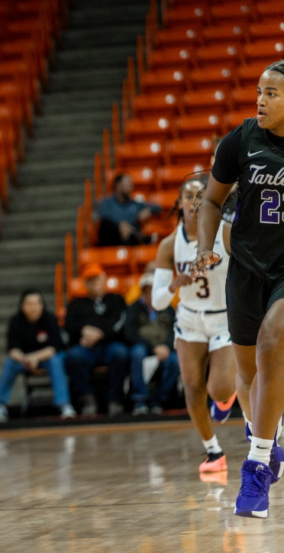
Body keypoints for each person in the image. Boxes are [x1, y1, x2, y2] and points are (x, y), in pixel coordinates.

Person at [192, 60, 284, 518]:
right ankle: (269, 440)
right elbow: (211, 199)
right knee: (248, 374)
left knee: (274, 342)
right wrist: (206, 248)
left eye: (272, 93)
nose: (260, 100)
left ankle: (258, 466)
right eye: (259, 91)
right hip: (246, 267)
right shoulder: (242, 139)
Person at [153, 179, 238, 473]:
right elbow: (158, 302)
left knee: (219, 390)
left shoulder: (225, 234)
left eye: (199, 195)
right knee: (192, 389)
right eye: (187, 196)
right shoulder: (169, 245)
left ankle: (229, 392)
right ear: (179, 204)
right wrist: (175, 284)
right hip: (189, 321)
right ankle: (213, 452)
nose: (193, 200)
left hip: (224, 318)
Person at [0, 290, 75, 424]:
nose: (33, 307)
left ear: (42, 305)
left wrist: (35, 358)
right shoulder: (16, 321)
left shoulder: (50, 319)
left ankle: (64, 405)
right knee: (10, 363)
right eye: (29, 304)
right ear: (22, 306)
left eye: (36, 303)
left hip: (46, 359)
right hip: (24, 360)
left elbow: (54, 347)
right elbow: (12, 349)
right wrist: (26, 359)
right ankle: (0, 406)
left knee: (56, 360)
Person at [64, 263, 129, 416]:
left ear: (104, 279)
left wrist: (99, 333)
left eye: (97, 279)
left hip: (110, 345)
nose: (94, 283)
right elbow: (69, 325)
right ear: (85, 283)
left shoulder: (116, 299)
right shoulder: (76, 303)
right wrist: (83, 330)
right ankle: (87, 398)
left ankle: (115, 399)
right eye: (90, 280)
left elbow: (120, 322)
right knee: (73, 356)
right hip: (86, 348)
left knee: (121, 353)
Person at [126, 272, 180, 416]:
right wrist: (153, 347)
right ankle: (140, 400)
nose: (150, 293)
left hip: (165, 347)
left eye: (153, 289)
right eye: (147, 290)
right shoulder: (134, 308)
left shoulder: (168, 308)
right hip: (144, 346)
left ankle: (159, 399)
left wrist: (167, 346)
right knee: (137, 353)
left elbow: (176, 329)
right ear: (142, 291)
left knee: (175, 361)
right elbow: (130, 333)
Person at [97, 174, 161, 246]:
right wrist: (120, 225)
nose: (131, 186)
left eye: (131, 184)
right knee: (106, 225)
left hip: (130, 240)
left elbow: (157, 207)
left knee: (129, 233)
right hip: (111, 240)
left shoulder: (134, 204)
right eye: (128, 183)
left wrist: (148, 210)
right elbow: (104, 217)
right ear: (118, 185)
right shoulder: (106, 203)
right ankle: (143, 239)